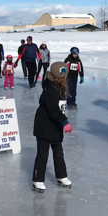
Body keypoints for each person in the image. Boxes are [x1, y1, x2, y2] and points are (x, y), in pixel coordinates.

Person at [32, 62, 73, 193]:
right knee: (43, 154)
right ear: (60, 77)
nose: (67, 77)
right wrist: (64, 122)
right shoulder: (51, 88)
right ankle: (37, 179)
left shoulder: (59, 86)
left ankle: (61, 176)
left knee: (58, 152)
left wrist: (61, 122)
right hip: (44, 125)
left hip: (55, 126)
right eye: (65, 75)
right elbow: (53, 109)